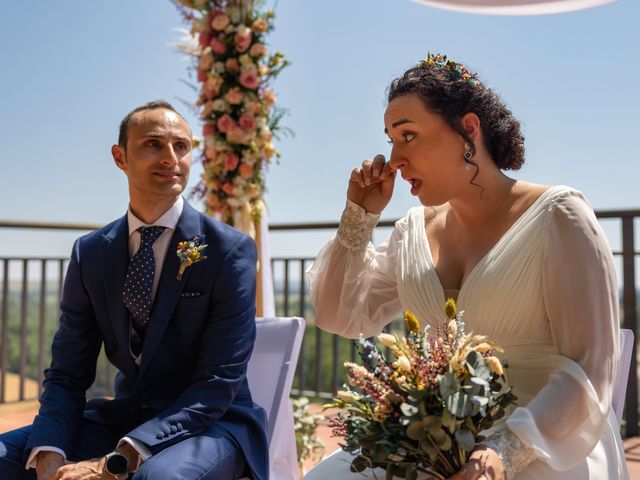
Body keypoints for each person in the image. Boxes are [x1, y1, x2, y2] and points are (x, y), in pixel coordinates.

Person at [305, 54, 630, 479]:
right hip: (433, 438)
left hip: (546, 442)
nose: (395, 159)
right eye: (390, 140)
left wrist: (502, 451)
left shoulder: (560, 217)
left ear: (468, 130)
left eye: (408, 135)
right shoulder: (411, 233)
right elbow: (339, 315)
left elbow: (589, 371)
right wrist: (358, 219)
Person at [0, 100, 269, 480]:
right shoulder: (91, 252)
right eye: (153, 144)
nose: (171, 157)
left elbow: (218, 382)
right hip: (121, 417)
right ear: (120, 157)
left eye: (182, 146)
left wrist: (116, 461)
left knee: (155, 479)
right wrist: (50, 455)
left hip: (212, 425)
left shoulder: (229, 250)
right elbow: (67, 373)